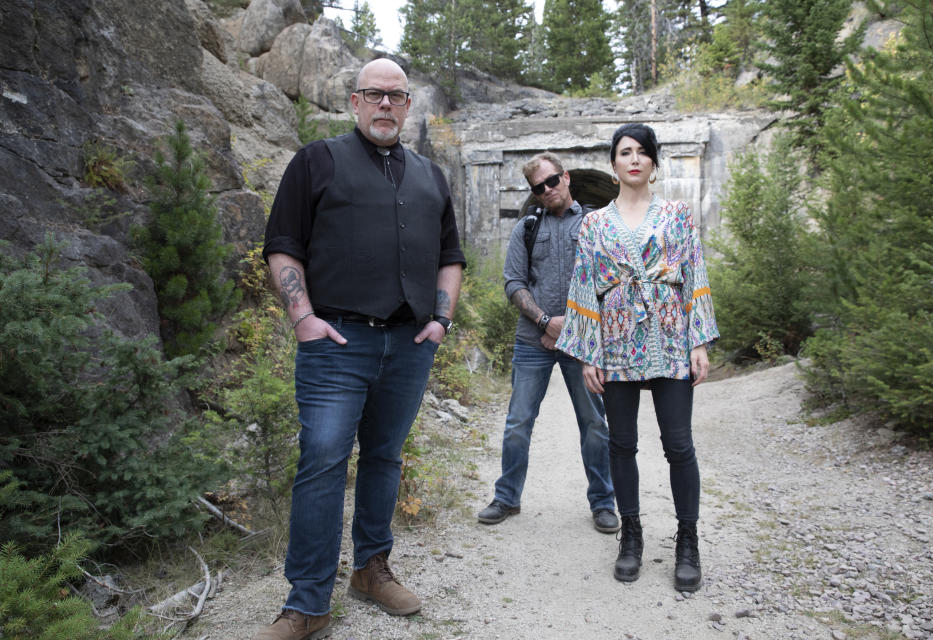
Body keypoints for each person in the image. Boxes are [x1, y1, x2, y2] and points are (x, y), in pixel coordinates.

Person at [255, 58, 465, 640]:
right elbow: (282, 244)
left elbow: (451, 257)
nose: (385, 106)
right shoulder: (315, 161)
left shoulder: (431, 176)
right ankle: (307, 605)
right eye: (373, 95)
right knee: (322, 462)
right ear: (354, 101)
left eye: (396, 97)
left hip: (409, 343)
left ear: (407, 106)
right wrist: (302, 317)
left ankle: (372, 570)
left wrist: (441, 320)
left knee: (384, 457)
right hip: (336, 342)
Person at [557, 123, 719, 592]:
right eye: (624, 152)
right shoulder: (594, 224)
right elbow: (584, 286)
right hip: (616, 341)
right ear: (613, 165)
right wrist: (588, 353)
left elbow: (694, 272)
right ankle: (631, 536)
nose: (634, 159)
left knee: (679, 444)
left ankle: (687, 541)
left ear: (653, 161)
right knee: (621, 444)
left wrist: (698, 341)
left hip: (670, 338)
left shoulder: (677, 215)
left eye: (642, 152)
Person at [477, 152, 619, 535]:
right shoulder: (525, 228)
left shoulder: (596, 224)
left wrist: (569, 326)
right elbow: (513, 283)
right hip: (532, 341)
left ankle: (603, 503)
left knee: (593, 423)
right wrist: (543, 320)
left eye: (552, 181)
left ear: (566, 177)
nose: (547, 190)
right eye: (537, 187)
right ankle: (506, 497)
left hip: (582, 343)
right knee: (518, 422)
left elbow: (608, 282)